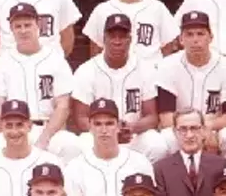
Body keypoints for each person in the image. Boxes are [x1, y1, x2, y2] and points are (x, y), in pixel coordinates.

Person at [0, 2, 80, 161]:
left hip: (48, 128)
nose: (23, 30)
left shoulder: (56, 60)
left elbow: (63, 105)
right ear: (11, 30)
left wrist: (45, 138)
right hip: (14, 129)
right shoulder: (1, 63)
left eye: (27, 25)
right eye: (18, 26)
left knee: (72, 147)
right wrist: (7, 133)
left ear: (38, 26)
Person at [152, 11, 226, 158]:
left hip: (215, 128)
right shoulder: (167, 66)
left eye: (200, 34)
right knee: (163, 140)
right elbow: (166, 118)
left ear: (210, 38)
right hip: (179, 129)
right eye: (189, 35)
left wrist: (206, 128)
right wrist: (192, 132)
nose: (195, 40)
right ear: (181, 39)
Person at [69, 12, 162, 160]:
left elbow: (152, 116)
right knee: (81, 144)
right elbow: (81, 118)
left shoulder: (145, 68)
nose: (117, 41)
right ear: (104, 39)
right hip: (98, 135)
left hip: (133, 135)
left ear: (130, 40)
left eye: (122, 37)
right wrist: (107, 131)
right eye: (112, 36)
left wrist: (132, 128)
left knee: (156, 144)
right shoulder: (86, 70)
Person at [65, 99, 154, 196]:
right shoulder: (75, 167)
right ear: (90, 126)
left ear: (118, 126)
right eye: (98, 124)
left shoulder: (139, 162)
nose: (104, 130)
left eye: (109, 123)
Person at [153, 109, 226, 196]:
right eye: (183, 129)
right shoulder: (161, 169)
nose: (189, 135)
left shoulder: (221, 165)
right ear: (175, 132)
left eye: (194, 128)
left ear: (204, 131)